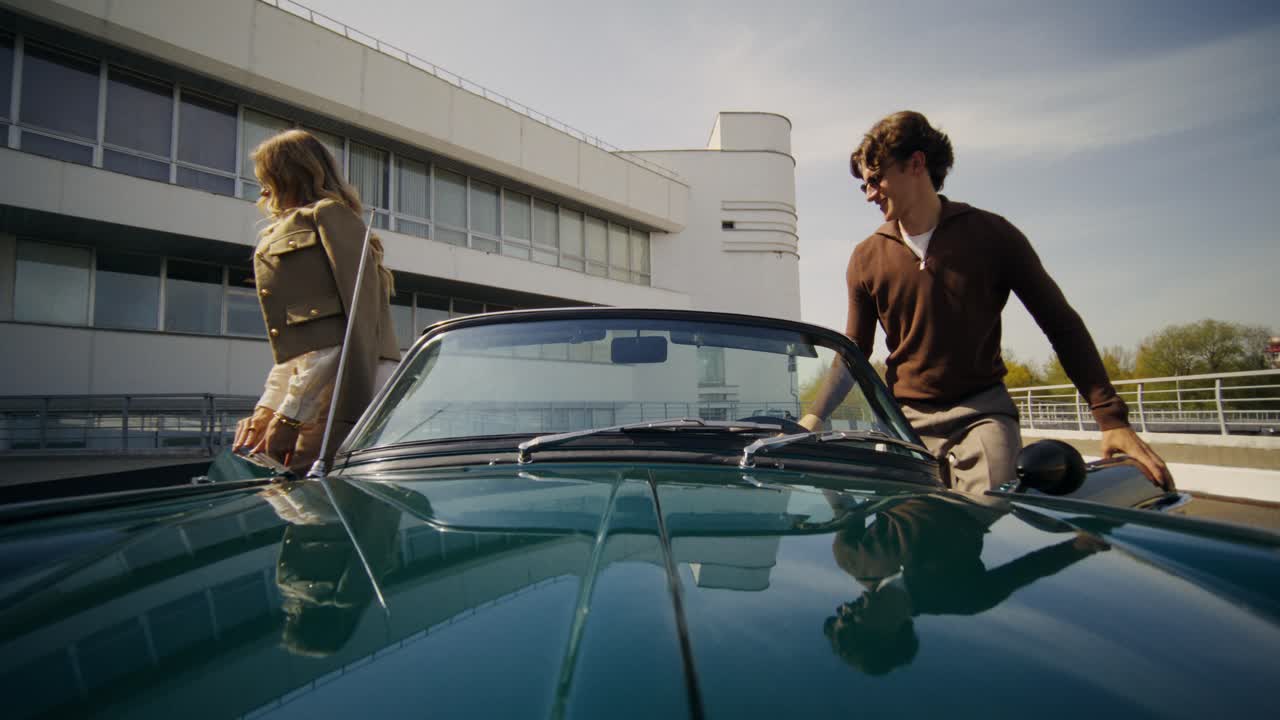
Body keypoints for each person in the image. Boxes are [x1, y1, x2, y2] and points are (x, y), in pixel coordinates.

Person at [800, 111, 1172, 493]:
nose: (869, 194)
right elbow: (855, 351)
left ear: (916, 163)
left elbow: (1060, 323)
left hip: (981, 413)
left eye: (876, 179)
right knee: (897, 529)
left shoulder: (993, 235)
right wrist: (813, 418)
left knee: (992, 507)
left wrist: (1111, 420)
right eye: (863, 186)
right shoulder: (866, 257)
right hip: (904, 420)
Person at [232, 129, 400, 472]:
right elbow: (301, 346)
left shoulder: (329, 217)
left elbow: (338, 334)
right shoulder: (305, 222)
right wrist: (269, 410)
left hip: (349, 388)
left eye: (267, 178)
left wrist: (289, 417)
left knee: (321, 505)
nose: (263, 191)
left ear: (286, 175)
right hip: (320, 386)